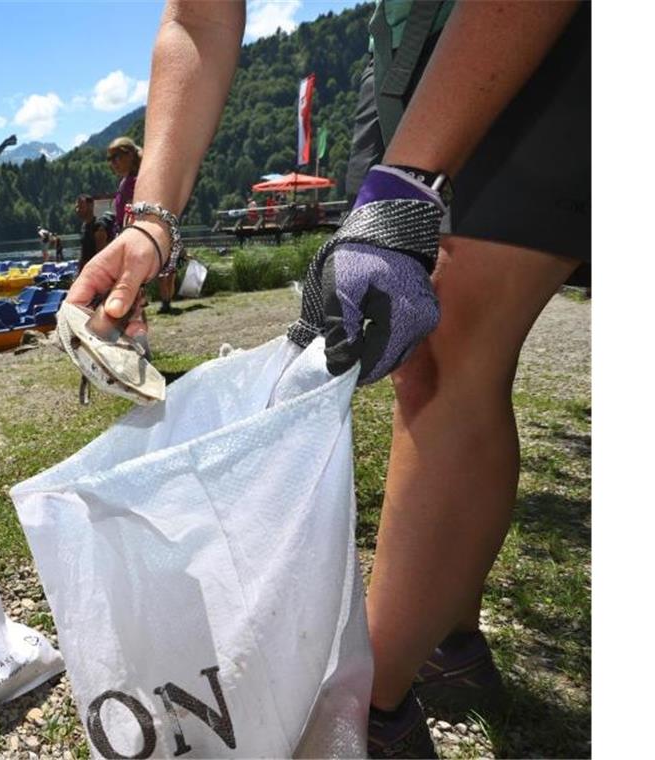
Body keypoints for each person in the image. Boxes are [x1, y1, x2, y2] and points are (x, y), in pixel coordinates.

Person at [67, 1, 588, 757]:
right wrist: (152, 220)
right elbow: (198, 20)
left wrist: (408, 187)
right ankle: (451, 643)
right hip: (406, 37)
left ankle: (371, 713)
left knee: (454, 337)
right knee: (424, 354)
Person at [75, 194, 111, 270]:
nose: (77, 210)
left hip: (95, 271)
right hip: (85, 270)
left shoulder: (98, 227)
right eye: (77, 207)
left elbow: (101, 255)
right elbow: (84, 253)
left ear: (90, 206)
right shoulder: (84, 226)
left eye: (81, 207)